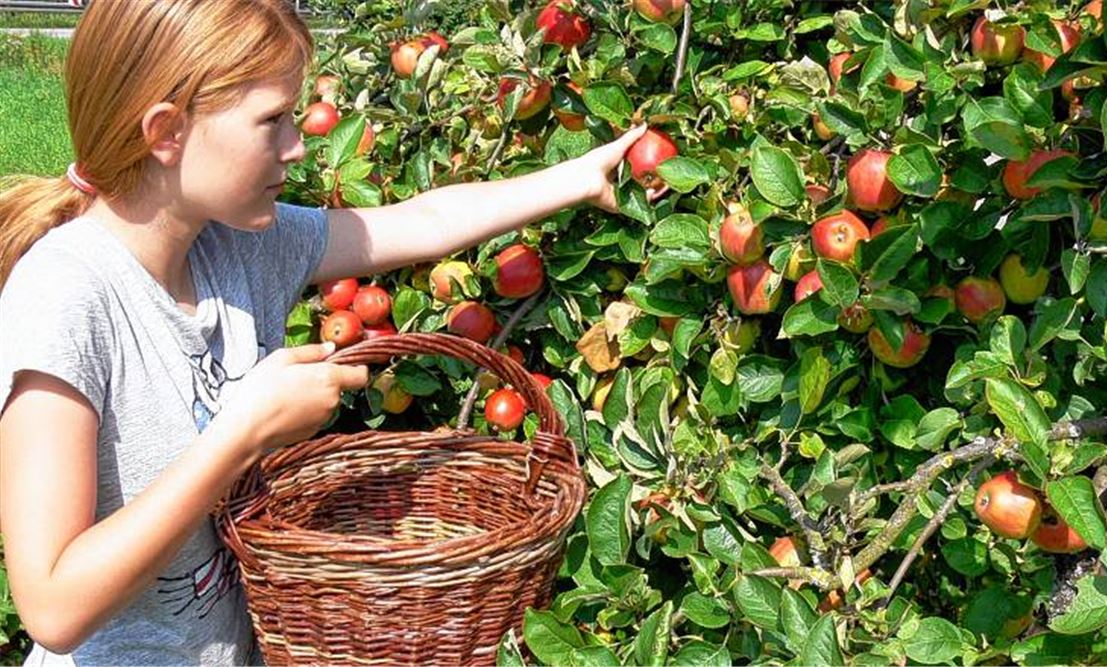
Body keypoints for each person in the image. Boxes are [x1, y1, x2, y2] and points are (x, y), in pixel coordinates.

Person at [0, 1, 653, 664]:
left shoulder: (237, 247)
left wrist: (575, 177)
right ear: (167, 131)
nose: (296, 145)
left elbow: (422, 223)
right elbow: (53, 605)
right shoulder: (67, 294)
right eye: (272, 120)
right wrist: (242, 433)